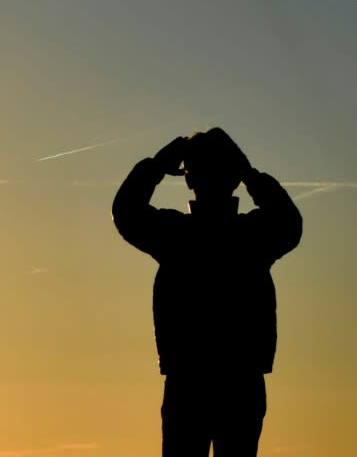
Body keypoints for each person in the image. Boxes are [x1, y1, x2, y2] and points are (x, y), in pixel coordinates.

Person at [112, 128, 302, 457]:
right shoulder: (252, 238)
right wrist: (250, 174)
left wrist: (157, 166)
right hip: (240, 379)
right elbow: (288, 222)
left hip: (189, 380)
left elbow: (126, 211)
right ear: (235, 178)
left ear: (188, 179)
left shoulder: (176, 237)